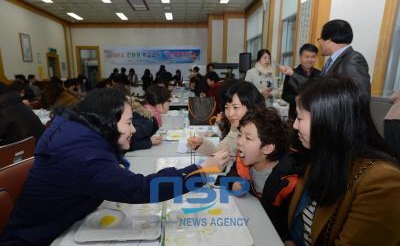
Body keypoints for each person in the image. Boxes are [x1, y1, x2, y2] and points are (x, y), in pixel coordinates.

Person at [0, 88, 230, 246]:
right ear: (108, 121)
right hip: (40, 239)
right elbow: (142, 189)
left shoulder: (78, 132)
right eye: (128, 123)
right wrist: (201, 171)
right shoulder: (83, 157)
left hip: (61, 224)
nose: (132, 129)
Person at [287, 76, 400, 246]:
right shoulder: (323, 157)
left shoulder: (382, 183)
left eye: (300, 118)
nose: (295, 126)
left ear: (328, 121)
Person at [227, 108, 304, 241]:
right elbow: (229, 176)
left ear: (267, 148)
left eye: (248, 138)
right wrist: (233, 183)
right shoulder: (242, 161)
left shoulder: (288, 181)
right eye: (240, 135)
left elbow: (286, 226)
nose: (239, 141)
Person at [187, 81, 266, 157]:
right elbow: (221, 151)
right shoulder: (236, 126)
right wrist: (200, 144)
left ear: (251, 106)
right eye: (226, 107)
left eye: (235, 107)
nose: (230, 114)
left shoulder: (261, 132)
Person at [318, 19, 370, 96]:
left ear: (328, 40)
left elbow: (360, 96)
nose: (319, 43)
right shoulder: (332, 60)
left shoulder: (353, 59)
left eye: (320, 39)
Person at [280, 44, 321, 120]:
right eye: (306, 57)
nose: (309, 60)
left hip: (314, 115)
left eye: (313, 57)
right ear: (300, 57)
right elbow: (285, 95)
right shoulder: (291, 73)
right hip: (295, 115)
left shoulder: (319, 73)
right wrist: (297, 99)